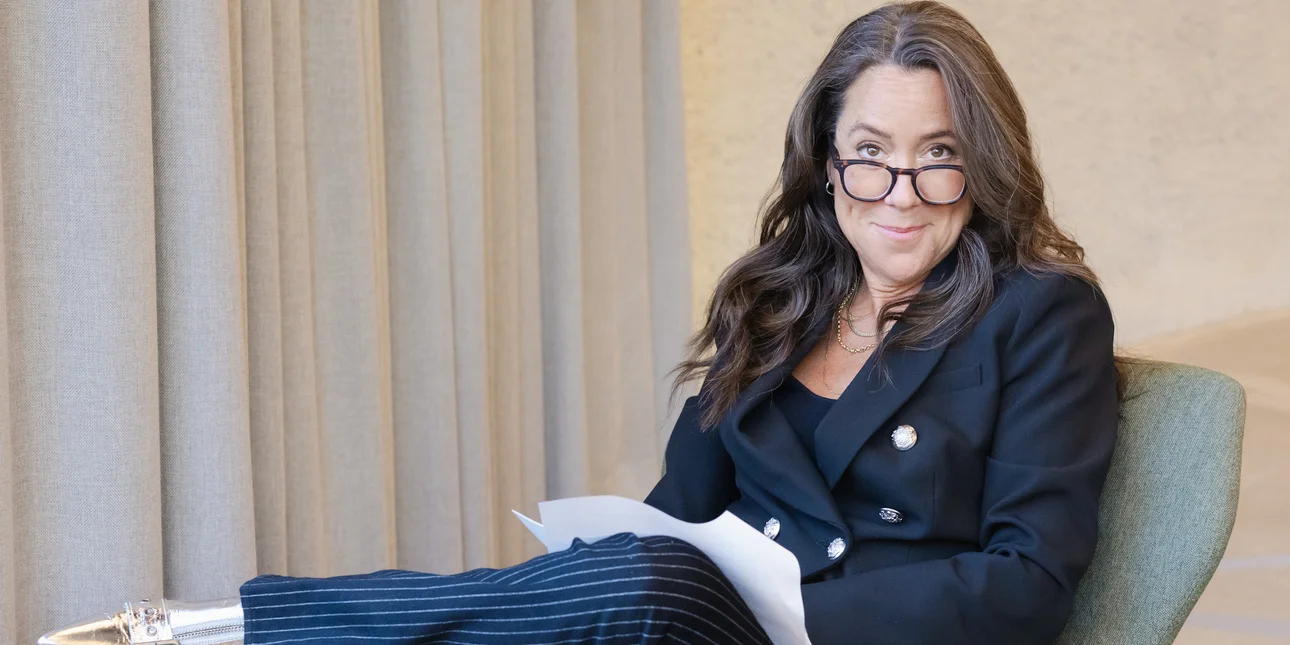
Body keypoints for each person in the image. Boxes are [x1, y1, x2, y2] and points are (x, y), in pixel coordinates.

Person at [38, 1, 1122, 644]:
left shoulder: (1038, 312)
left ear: (982, 166)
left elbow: (1027, 583)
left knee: (650, 580)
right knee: (616, 573)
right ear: (827, 165)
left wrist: (785, 613)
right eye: (871, 154)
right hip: (689, 619)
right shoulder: (780, 300)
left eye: (939, 156)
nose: (900, 191)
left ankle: (228, 631)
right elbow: (676, 513)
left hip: (821, 638)